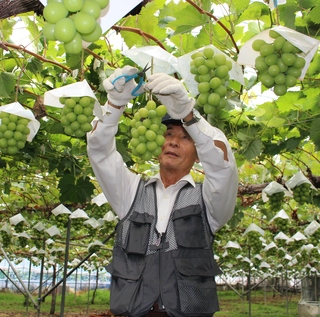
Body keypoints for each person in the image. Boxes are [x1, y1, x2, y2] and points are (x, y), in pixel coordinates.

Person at [87, 66, 238, 317]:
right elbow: (99, 153)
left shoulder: (209, 202)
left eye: (186, 137)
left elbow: (224, 169)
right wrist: (114, 106)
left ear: (199, 153)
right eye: (168, 134)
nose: (174, 141)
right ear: (158, 144)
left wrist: (189, 115)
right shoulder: (130, 191)